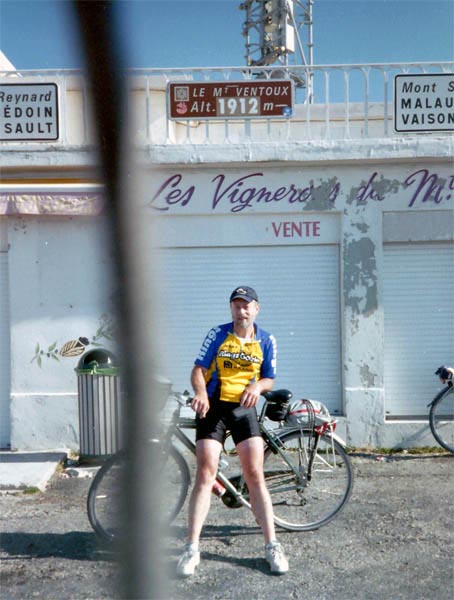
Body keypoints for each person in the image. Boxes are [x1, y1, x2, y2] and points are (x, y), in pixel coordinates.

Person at [176, 286, 288, 577]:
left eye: (246, 306)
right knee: (205, 472)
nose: (242, 311)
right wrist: (200, 393)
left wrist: (256, 387)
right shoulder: (217, 334)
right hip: (213, 408)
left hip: (243, 410)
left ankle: (272, 545)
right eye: (237, 306)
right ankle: (191, 549)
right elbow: (198, 370)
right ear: (231, 310)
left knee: (254, 474)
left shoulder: (266, 340)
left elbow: (269, 379)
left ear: (256, 309)